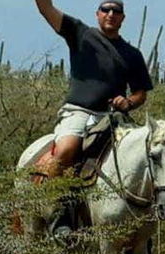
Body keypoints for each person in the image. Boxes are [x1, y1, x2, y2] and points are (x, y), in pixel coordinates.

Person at [33, 0, 154, 237]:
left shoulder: (132, 54)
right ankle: (59, 217)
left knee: (145, 153)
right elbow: (46, 8)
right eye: (106, 10)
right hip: (78, 112)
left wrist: (128, 102)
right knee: (67, 148)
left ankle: (143, 228)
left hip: (112, 117)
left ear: (122, 17)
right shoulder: (81, 33)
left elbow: (141, 93)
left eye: (116, 11)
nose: (111, 14)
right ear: (97, 14)